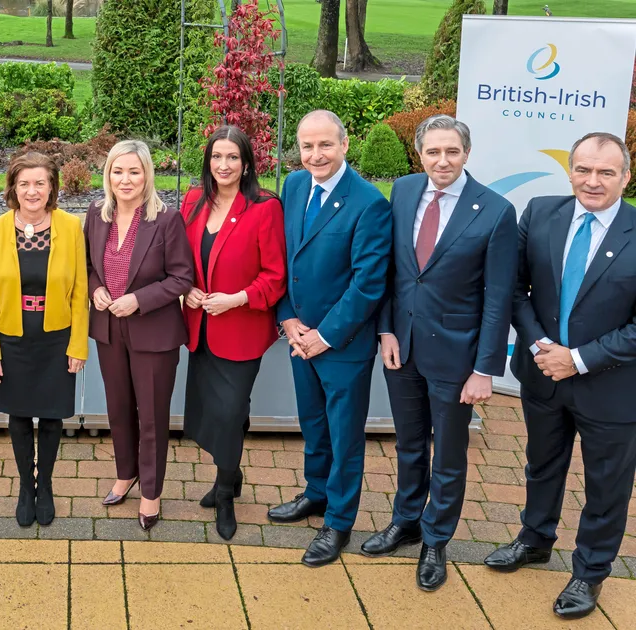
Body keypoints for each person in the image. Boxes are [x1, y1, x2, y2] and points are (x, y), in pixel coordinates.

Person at [484, 132, 636, 619]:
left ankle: (590, 572)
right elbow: (515, 288)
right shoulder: (541, 213)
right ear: (570, 170)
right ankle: (534, 539)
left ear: (626, 177)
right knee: (542, 463)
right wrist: (541, 347)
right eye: (584, 170)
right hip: (543, 373)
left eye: (606, 172)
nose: (593, 181)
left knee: (606, 485)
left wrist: (580, 358)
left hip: (610, 386)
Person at [364, 115, 517, 590]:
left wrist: (484, 369)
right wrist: (386, 332)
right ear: (420, 154)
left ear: (466, 153)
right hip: (402, 347)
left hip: (457, 357)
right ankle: (406, 521)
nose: (442, 161)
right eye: (433, 152)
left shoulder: (495, 210)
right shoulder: (405, 191)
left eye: (452, 151)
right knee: (409, 444)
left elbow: (498, 298)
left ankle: (436, 539)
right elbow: (394, 271)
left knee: (448, 454)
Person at [268, 110, 392, 567]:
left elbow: (368, 283)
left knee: (344, 437)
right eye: (307, 146)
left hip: (341, 346)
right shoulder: (295, 186)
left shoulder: (369, 202)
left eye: (325, 145)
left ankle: (338, 521)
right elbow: (285, 260)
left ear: (344, 144)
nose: (315, 155)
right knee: (314, 426)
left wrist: (326, 335)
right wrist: (287, 319)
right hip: (300, 337)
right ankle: (315, 494)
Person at [181, 126, 287, 541]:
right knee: (215, 412)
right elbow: (179, 259)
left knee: (228, 412)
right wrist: (184, 287)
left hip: (241, 329)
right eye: (216, 157)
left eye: (232, 158)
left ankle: (226, 493)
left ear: (246, 165)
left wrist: (238, 298)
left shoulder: (264, 208)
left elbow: (275, 276)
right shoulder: (193, 201)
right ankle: (231, 473)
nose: (223, 165)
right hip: (200, 327)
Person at [86, 140, 193, 531]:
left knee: (150, 417)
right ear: (108, 175)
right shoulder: (97, 214)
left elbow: (182, 277)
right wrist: (95, 288)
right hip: (108, 329)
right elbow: (88, 264)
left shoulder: (166, 219)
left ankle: (151, 491)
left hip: (153, 332)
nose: (125, 179)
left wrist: (138, 300)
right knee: (118, 410)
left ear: (147, 174)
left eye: (134, 171)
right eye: (118, 171)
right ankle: (125, 473)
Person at [0, 152, 87, 528]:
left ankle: (47, 487)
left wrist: (78, 345)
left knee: (53, 415)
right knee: (20, 415)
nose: (32, 190)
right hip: (12, 338)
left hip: (56, 336)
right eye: (24, 183)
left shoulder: (71, 227)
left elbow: (80, 292)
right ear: (13, 187)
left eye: (40, 182)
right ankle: (27, 486)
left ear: (52, 187)